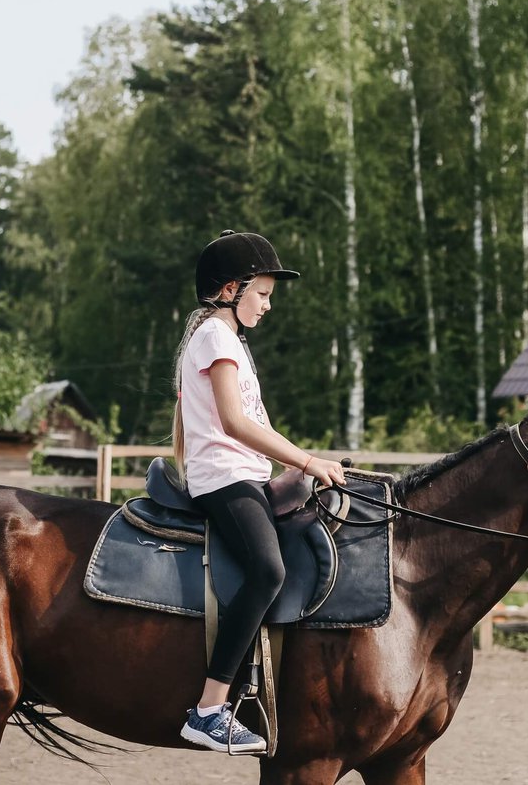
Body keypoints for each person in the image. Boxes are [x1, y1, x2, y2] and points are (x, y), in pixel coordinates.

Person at [173, 230, 345, 753]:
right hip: (222, 476)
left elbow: (258, 423)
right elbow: (235, 422)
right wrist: (308, 459)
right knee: (269, 570)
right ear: (230, 289)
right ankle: (208, 710)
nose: (268, 305)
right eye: (263, 294)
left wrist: (300, 468)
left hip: (246, 473)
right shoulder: (216, 338)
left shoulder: (231, 341)